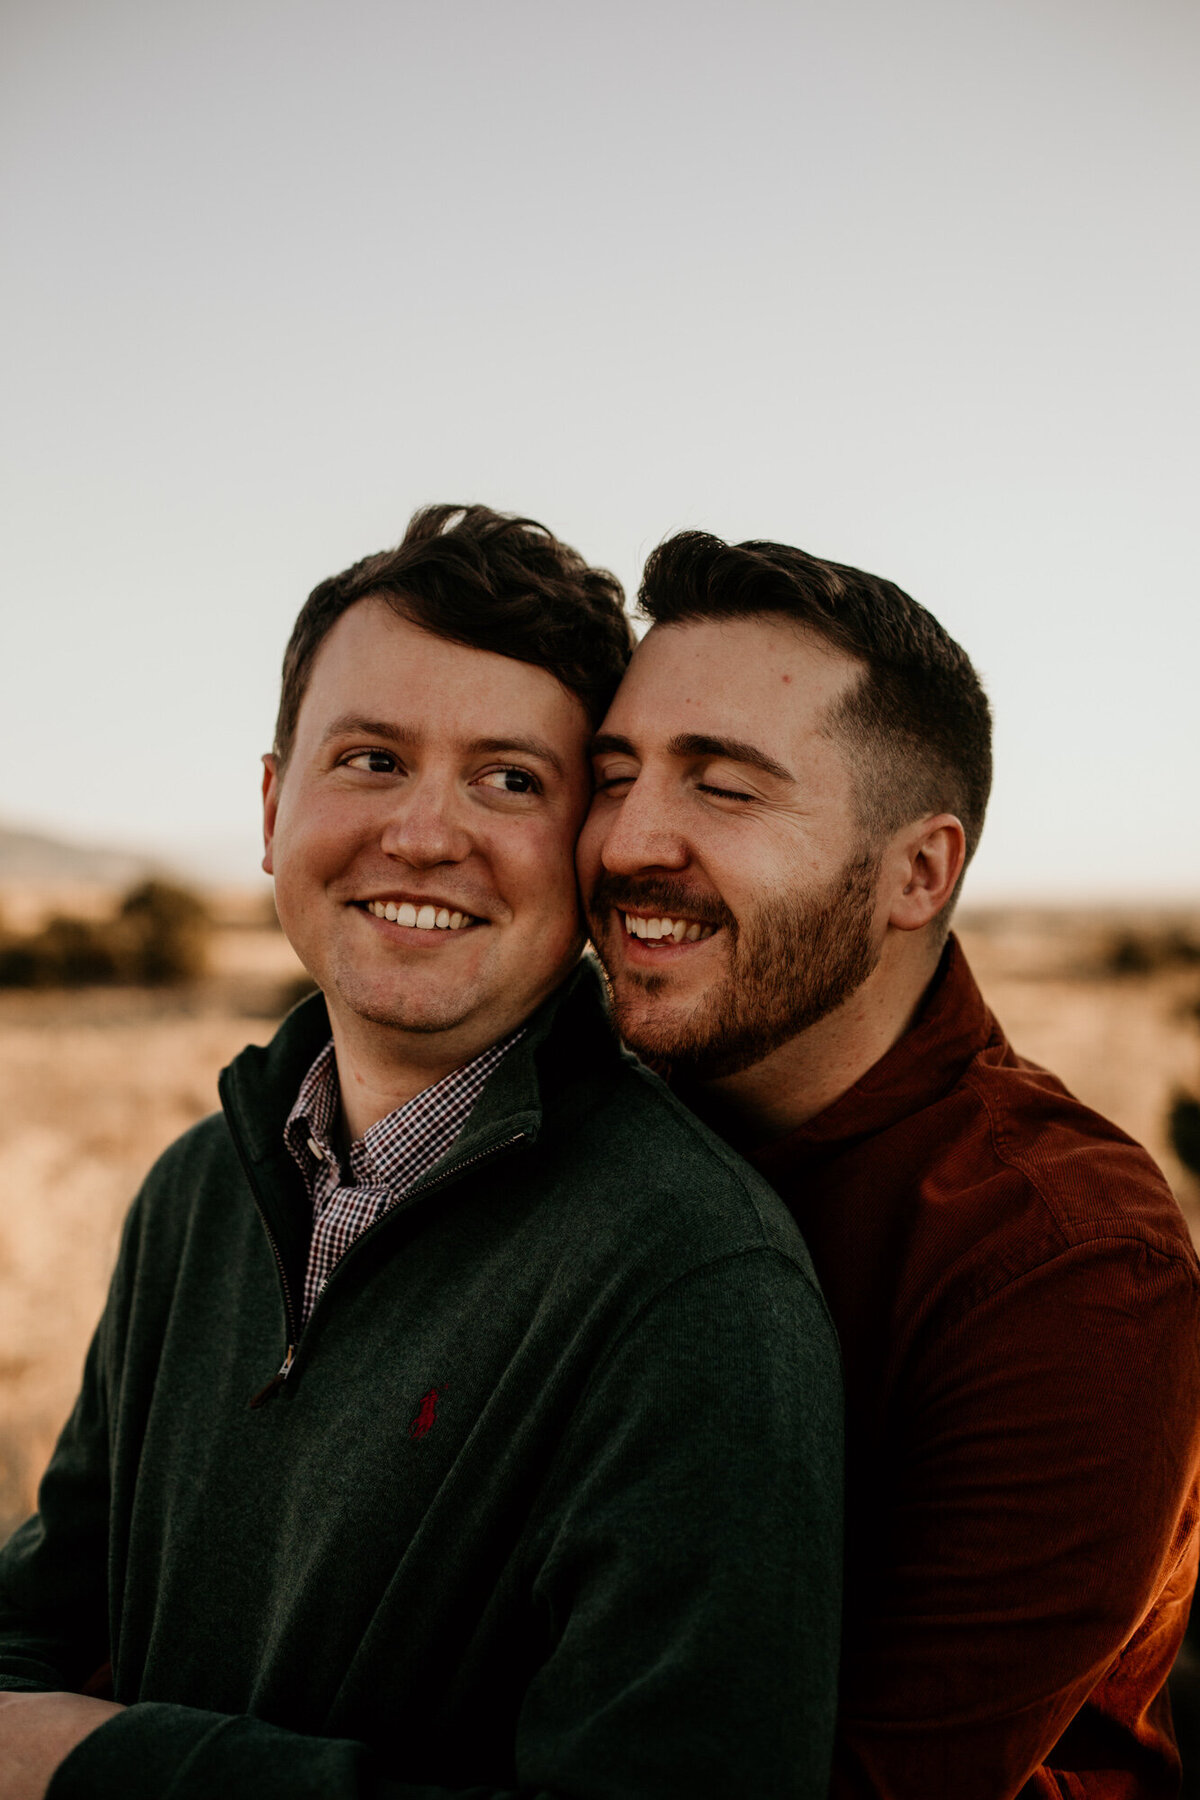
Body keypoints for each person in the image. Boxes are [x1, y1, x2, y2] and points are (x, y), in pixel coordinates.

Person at [0, 507, 844, 1800]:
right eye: (372, 759)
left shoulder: (694, 1283)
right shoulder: (197, 1193)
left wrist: (104, 1767)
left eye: (512, 779)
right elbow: (45, 1617)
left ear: (588, 848)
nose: (426, 833)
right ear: (276, 804)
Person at [579, 528, 1200, 1799]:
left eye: (726, 787)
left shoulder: (1069, 1269)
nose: (628, 842)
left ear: (919, 871)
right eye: (615, 772)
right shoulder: (572, 1125)